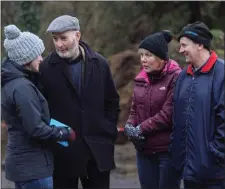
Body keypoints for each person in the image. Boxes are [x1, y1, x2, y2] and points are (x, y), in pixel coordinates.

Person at [38, 15, 120, 189]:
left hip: (97, 151)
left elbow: (111, 101)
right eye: (55, 39)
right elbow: (42, 109)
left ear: (77, 35)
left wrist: (108, 131)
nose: (59, 44)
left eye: (63, 38)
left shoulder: (101, 64)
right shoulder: (46, 67)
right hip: (63, 153)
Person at [1, 25, 76, 189]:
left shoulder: (13, 83)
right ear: (26, 59)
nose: (41, 58)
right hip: (33, 169)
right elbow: (35, 128)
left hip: (24, 166)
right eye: (37, 55)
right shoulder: (23, 88)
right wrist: (64, 133)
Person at [124, 30, 182, 189]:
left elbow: (168, 114)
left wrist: (140, 128)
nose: (143, 59)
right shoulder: (141, 79)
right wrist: (130, 125)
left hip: (167, 152)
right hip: (144, 151)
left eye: (148, 55)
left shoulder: (176, 77)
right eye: (141, 55)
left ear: (161, 57)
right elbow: (135, 109)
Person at [171, 21, 225, 189]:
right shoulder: (183, 77)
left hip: (216, 173)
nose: (180, 50)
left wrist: (215, 154)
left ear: (200, 44)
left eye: (184, 45)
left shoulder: (222, 73)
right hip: (189, 172)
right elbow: (177, 118)